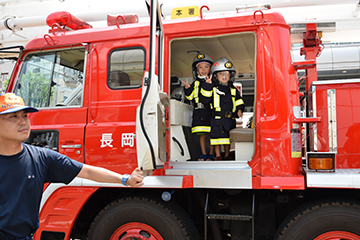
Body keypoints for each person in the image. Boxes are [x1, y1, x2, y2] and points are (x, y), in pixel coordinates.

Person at [0, 93, 144, 240]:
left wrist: (126, 179)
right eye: (13, 117)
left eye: (24, 116)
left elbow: (87, 172)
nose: (23, 122)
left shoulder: (40, 158)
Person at [201, 57, 245, 160]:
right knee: (216, 138)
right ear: (216, 76)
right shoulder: (213, 88)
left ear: (231, 75)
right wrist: (207, 86)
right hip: (216, 119)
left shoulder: (233, 90)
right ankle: (218, 155)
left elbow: (239, 100)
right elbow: (205, 99)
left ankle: (227, 154)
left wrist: (239, 109)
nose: (224, 76)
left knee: (227, 138)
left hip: (229, 119)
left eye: (226, 73)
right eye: (220, 74)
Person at [182, 52, 215, 161]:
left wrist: (208, 85)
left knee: (211, 134)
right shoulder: (195, 83)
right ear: (196, 70)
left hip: (209, 111)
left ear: (211, 69)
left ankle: (211, 153)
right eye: (200, 67)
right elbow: (191, 97)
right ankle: (203, 153)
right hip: (198, 111)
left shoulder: (212, 83)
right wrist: (187, 89)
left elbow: (208, 98)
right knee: (202, 134)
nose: (203, 69)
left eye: (206, 66)